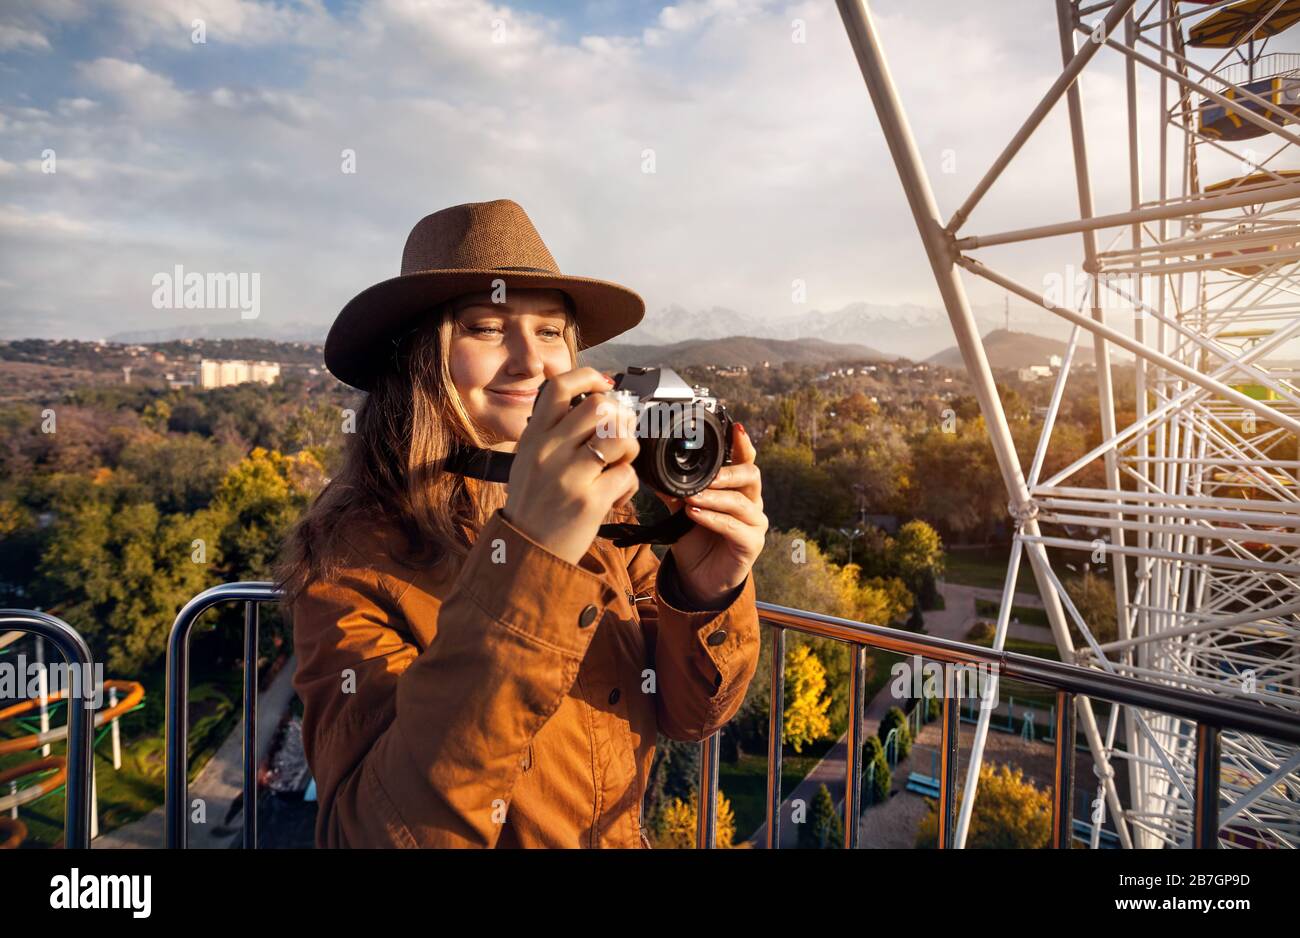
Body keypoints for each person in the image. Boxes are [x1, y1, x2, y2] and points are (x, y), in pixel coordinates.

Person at [275, 199, 767, 848]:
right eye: (483, 328)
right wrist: (535, 561)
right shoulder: (352, 564)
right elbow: (373, 830)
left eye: (549, 333)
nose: (529, 361)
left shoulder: (607, 517)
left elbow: (688, 713)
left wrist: (704, 593)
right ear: (421, 360)